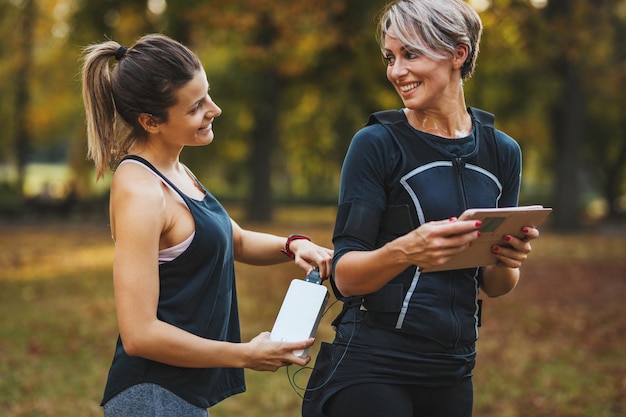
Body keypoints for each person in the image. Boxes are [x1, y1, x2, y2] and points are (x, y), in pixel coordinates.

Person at [302, 1, 541, 416]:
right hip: (372, 366)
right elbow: (343, 276)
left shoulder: (503, 153)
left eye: (410, 54)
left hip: (454, 370)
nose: (396, 71)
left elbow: (494, 283)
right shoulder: (376, 144)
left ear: (458, 54)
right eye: (390, 58)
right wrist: (406, 250)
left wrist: (509, 261)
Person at [80, 33, 333, 416]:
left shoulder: (178, 171)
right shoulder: (141, 191)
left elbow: (238, 240)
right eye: (196, 107)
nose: (214, 110)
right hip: (153, 397)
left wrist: (293, 244)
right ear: (151, 121)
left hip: (181, 393)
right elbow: (139, 334)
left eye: (208, 95)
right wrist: (245, 354)